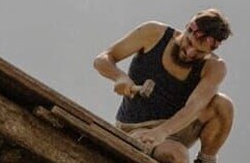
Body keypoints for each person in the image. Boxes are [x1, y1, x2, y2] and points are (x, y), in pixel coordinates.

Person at [93, 9, 234, 163]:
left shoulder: (214, 67)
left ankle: (205, 160)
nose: (190, 52)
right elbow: (102, 59)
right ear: (187, 27)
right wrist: (119, 77)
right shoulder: (153, 34)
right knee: (176, 155)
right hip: (137, 128)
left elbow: (195, 107)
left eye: (200, 52)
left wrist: (162, 132)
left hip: (177, 125)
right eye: (189, 42)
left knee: (223, 106)